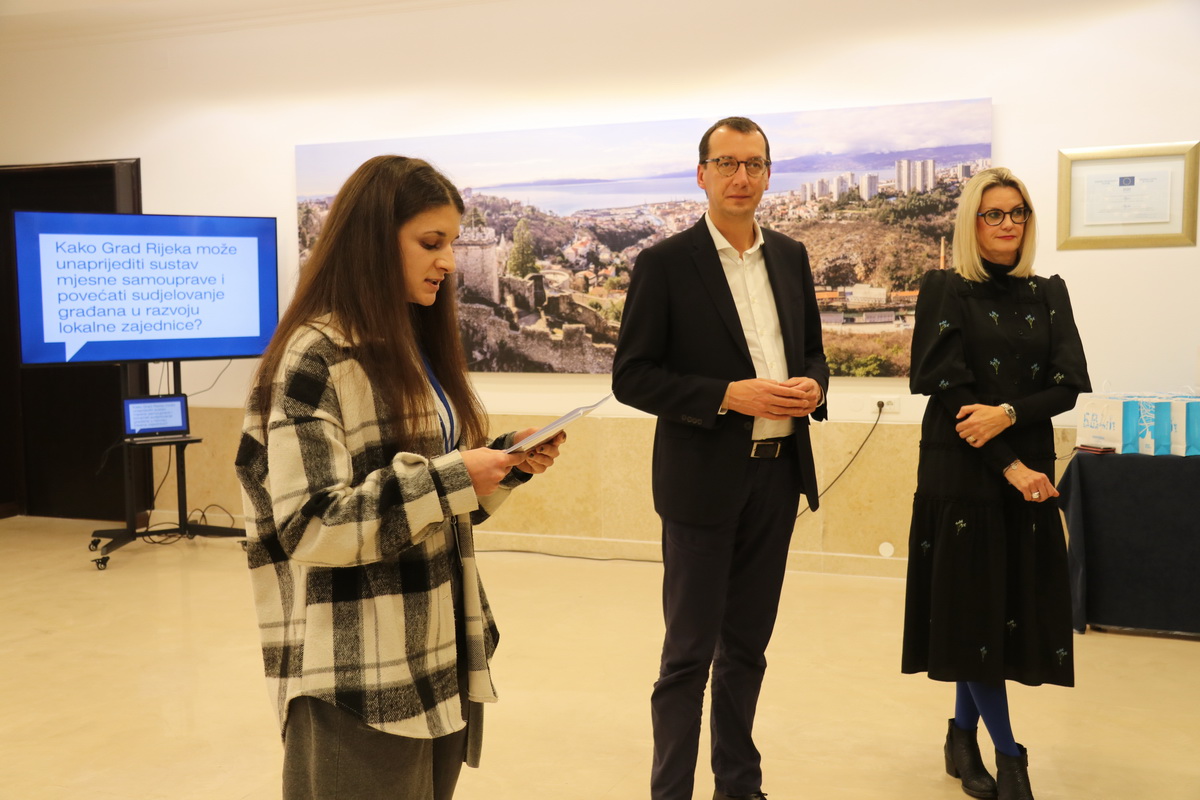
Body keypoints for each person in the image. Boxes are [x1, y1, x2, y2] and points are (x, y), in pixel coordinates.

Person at [235, 155, 564, 800]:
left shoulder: (409, 345)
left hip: (435, 650)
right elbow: (311, 526)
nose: (449, 261)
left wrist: (499, 465)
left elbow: (430, 506)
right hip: (358, 673)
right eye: (431, 242)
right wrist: (451, 476)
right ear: (371, 242)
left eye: (453, 243)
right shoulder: (315, 357)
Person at [612, 116, 829, 800]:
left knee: (747, 650)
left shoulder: (790, 256)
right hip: (701, 484)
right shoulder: (665, 264)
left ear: (768, 174)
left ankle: (739, 785)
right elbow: (632, 376)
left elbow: (813, 351)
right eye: (727, 163)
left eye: (754, 164)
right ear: (701, 174)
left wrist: (815, 385)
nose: (742, 177)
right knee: (688, 657)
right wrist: (726, 395)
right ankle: (671, 791)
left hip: (778, 476)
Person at [901, 167, 1090, 800]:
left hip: (1028, 462)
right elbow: (946, 386)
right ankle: (1010, 759)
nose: (1007, 224)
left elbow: (1067, 385)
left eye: (1017, 213)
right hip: (964, 470)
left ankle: (960, 735)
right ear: (971, 223)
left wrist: (1008, 415)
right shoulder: (945, 288)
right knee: (973, 610)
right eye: (993, 214)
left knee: (995, 611)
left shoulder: (1049, 291)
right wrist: (1009, 463)